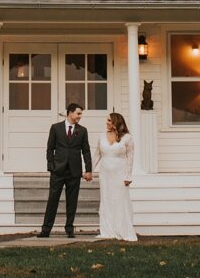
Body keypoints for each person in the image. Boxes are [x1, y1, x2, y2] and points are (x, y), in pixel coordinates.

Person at [39, 101, 93, 238]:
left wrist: (88, 170)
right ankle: (46, 229)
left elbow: (86, 151)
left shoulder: (82, 130)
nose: (80, 116)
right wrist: (51, 166)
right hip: (58, 170)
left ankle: (69, 229)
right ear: (70, 113)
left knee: (72, 201)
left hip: (74, 171)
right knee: (53, 200)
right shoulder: (56, 128)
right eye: (78, 113)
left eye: (81, 114)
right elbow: (50, 148)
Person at [94, 112, 137, 241]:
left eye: (109, 120)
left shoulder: (127, 138)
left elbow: (130, 157)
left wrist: (128, 176)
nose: (106, 122)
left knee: (120, 200)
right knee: (107, 199)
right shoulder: (102, 136)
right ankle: (108, 230)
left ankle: (123, 230)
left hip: (120, 174)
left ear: (116, 122)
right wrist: (89, 170)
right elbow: (97, 155)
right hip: (105, 174)